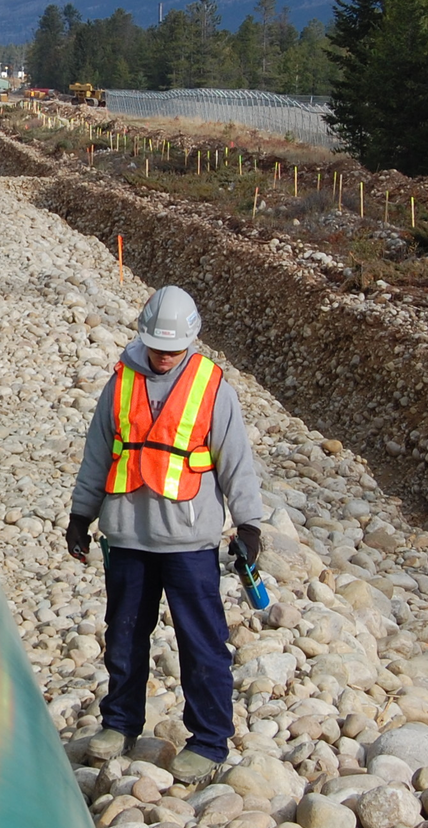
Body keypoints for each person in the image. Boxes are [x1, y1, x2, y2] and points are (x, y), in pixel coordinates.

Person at [64, 285, 267, 785]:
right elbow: (98, 453)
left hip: (188, 544)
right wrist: (81, 514)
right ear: (144, 337)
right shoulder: (120, 383)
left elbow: (236, 461)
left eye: (172, 349)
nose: (163, 356)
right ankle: (119, 723)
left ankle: (209, 740)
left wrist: (249, 524)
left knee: (203, 644)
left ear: (191, 341)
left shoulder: (212, 387)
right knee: (124, 636)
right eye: (157, 347)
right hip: (128, 538)